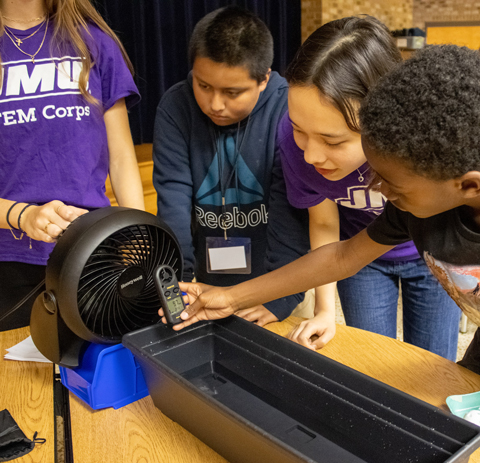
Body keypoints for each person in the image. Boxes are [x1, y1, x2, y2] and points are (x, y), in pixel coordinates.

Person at [167, 44, 480, 374]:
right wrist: (231, 298)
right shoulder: (414, 207)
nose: (380, 192)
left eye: (393, 187)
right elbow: (342, 257)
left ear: (470, 186)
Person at [276, 16, 461, 359]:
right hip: (361, 257)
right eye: (299, 128)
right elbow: (325, 225)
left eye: (333, 141)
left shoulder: (424, 141)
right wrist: (324, 309)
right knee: (371, 361)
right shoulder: (292, 141)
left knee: (436, 364)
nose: (311, 154)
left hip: (432, 254)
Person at [152, 6, 309, 326]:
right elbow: (172, 201)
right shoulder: (175, 106)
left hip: (280, 285)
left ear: (263, 78)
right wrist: (177, 289)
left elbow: (291, 209)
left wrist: (282, 298)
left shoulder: (289, 108)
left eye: (232, 92)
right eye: (204, 85)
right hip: (203, 286)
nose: (215, 104)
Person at [0, 0, 145, 331]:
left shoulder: (95, 43)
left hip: (93, 254)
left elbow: (121, 157)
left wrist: (139, 239)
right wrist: (22, 216)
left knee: (95, 374)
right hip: (7, 262)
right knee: (19, 383)